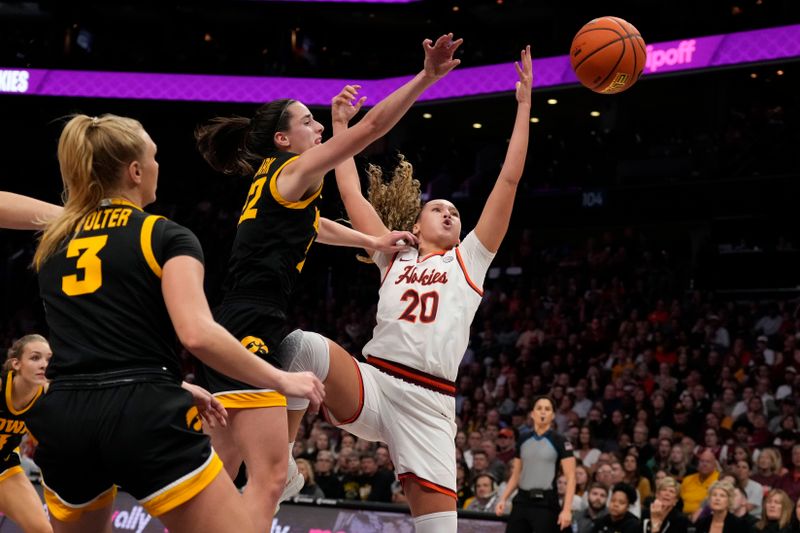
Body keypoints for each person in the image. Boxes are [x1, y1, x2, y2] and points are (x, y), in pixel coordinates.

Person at [192, 33, 462, 525]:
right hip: (250, 321)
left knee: (221, 467)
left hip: (245, 316)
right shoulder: (295, 168)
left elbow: (311, 226)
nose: (318, 127)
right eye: (308, 121)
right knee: (269, 477)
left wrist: (371, 242)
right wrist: (425, 77)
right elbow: (373, 127)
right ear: (283, 139)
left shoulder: (276, 179)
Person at [25, 114, 324, 533]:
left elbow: (97, 348)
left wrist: (177, 385)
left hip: (66, 416)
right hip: (139, 413)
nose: (158, 166)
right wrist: (280, 379)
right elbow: (197, 333)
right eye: (154, 156)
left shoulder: (57, 238)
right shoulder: (164, 235)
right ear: (134, 171)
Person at [310, 45, 531, 533]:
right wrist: (341, 126)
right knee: (301, 346)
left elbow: (509, 180)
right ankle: (282, 468)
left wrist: (524, 106)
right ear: (416, 220)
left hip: (430, 403)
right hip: (376, 382)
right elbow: (350, 193)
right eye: (439, 208)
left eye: (455, 212)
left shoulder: (469, 259)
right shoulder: (392, 253)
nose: (450, 213)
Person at [496, 395, 577, 533]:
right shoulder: (523, 439)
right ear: (532, 414)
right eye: (539, 408)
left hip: (546, 503)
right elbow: (516, 475)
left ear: (553, 415)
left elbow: (571, 477)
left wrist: (567, 509)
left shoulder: (560, 440)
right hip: (521, 501)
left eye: (547, 409)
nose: (543, 412)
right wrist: (503, 498)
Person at [0, 335, 53, 533]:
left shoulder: (49, 395)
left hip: (5, 467)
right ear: (16, 363)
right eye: (35, 358)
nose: (44, 365)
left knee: (43, 530)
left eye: (48, 359)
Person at [680, 448, 720, 516]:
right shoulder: (687, 479)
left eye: (708, 461)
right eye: (702, 461)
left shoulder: (719, 479)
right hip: (684, 517)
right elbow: (680, 501)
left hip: (707, 517)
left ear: (714, 465)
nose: (704, 464)